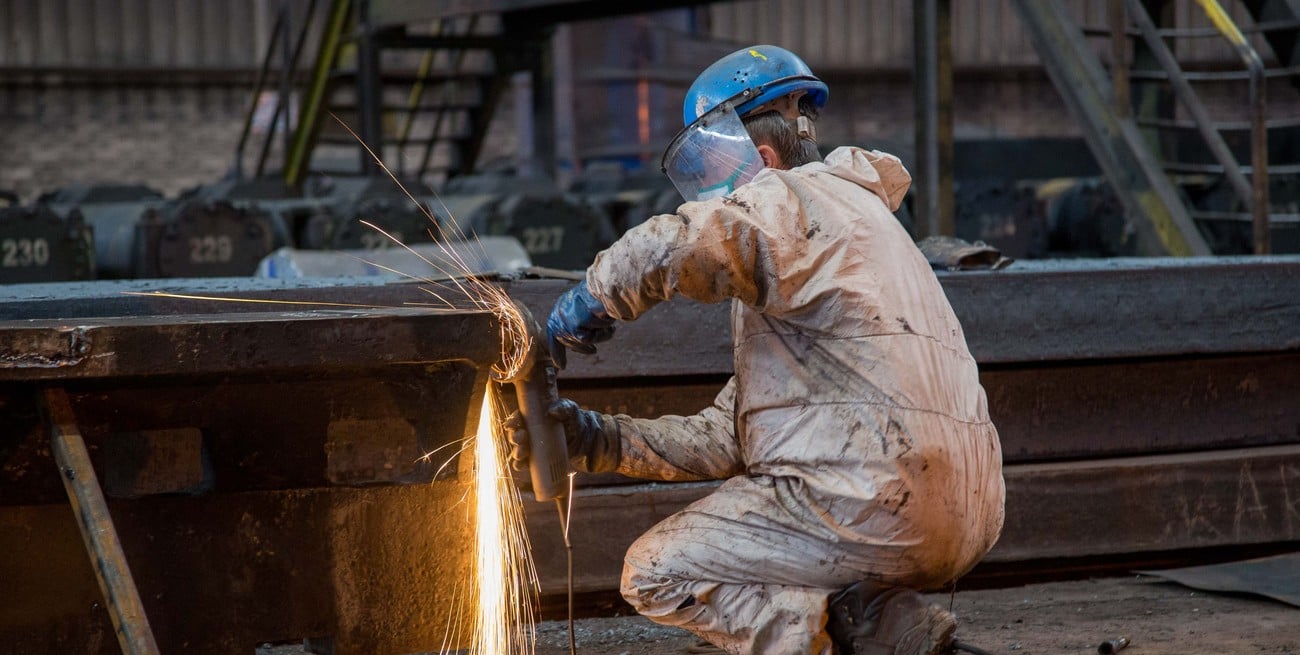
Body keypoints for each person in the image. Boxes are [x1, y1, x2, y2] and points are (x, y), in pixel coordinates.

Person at [510, 45, 1005, 655]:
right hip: (968, 510)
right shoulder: (858, 233)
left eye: (713, 176)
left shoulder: (792, 199)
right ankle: (881, 622)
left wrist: (584, 304)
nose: (710, 197)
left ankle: (837, 637)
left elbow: (671, 246)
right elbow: (729, 438)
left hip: (873, 502)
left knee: (656, 571)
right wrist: (595, 439)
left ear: (762, 158)